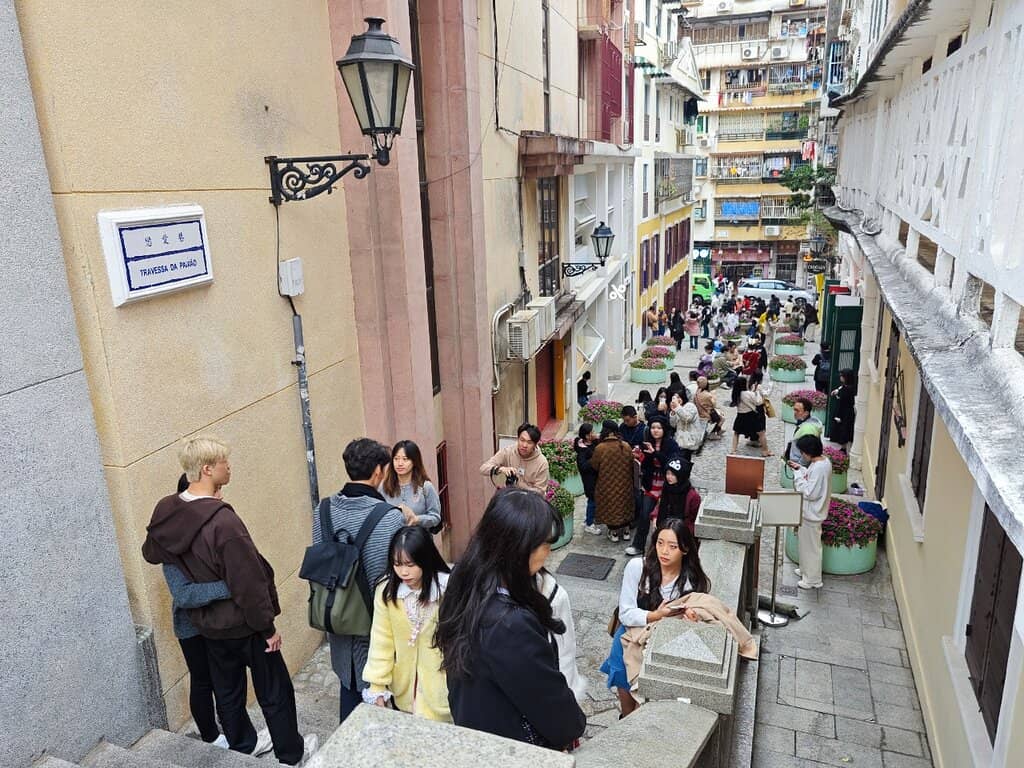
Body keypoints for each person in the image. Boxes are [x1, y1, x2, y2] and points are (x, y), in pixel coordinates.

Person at [142, 438, 314, 765]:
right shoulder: (223, 522)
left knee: (229, 693)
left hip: (208, 627)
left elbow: (151, 551)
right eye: (224, 462)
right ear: (207, 469)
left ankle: (243, 749)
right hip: (245, 624)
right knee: (275, 693)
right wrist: (267, 629)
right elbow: (247, 583)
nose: (229, 467)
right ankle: (291, 757)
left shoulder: (168, 510)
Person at [436, 489, 586, 749]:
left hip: (474, 730)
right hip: (511, 745)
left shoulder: (464, 579)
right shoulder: (510, 625)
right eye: (545, 543)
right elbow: (557, 713)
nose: (548, 552)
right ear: (519, 547)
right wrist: (574, 722)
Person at [317, 438, 406, 723]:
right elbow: (393, 578)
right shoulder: (390, 518)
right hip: (375, 624)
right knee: (379, 697)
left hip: (338, 616)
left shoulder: (323, 510)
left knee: (349, 690)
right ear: (379, 471)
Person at [157, 474, 248, 752]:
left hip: (219, 621)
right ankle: (210, 737)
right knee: (203, 679)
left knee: (228, 680)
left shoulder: (215, 526)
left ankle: (236, 735)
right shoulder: (170, 540)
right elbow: (184, 595)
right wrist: (228, 586)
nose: (217, 495)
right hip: (191, 626)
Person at [601, 518, 710, 716]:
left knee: (645, 701)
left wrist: (692, 620)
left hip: (660, 645)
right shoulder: (637, 568)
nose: (664, 551)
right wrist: (656, 615)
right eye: (660, 543)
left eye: (672, 546)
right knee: (626, 700)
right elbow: (626, 613)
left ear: (685, 549)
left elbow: (698, 612)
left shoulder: (689, 581)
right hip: (629, 638)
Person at [364, 526, 451, 721]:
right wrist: (377, 686)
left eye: (410, 565)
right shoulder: (387, 592)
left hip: (442, 689)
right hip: (404, 689)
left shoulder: (448, 589)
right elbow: (381, 640)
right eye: (397, 564)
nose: (403, 571)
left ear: (425, 559)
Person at [626, 416, 680, 557]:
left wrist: (655, 453)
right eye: (653, 428)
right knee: (645, 514)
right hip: (651, 484)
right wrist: (640, 457)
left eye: (659, 428)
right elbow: (645, 466)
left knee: (663, 518)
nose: (655, 430)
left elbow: (672, 463)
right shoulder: (645, 443)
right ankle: (638, 545)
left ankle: (659, 548)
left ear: (664, 429)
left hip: (666, 484)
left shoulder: (671, 444)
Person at [788, 435, 832, 590]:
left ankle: (813, 580)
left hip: (812, 513)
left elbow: (809, 492)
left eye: (802, 452)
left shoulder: (819, 467)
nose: (802, 455)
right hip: (811, 512)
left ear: (808, 452)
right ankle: (806, 570)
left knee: (811, 548)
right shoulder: (822, 462)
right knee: (805, 545)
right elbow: (813, 479)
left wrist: (798, 476)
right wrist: (801, 469)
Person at [590, 420, 637, 543]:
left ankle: (614, 533)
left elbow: (594, 465)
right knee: (625, 504)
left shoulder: (600, 448)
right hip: (625, 483)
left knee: (610, 506)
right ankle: (626, 532)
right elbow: (632, 463)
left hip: (606, 484)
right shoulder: (625, 446)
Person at [380, 440, 442, 532]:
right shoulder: (383, 487)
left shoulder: (425, 487)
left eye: (405, 459)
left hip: (419, 541)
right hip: (391, 542)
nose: (400, 463)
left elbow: (435, 517)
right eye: (396, 459)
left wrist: (417, 519)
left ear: (414, 461)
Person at [479, 423, 549, 494]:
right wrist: (500, 469)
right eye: (522, 440)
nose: (524, 445)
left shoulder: (542, 463)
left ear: (535, 444)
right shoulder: (508, 452)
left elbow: (540, 492)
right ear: (517, 439)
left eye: (529, 442)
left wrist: (519, 484)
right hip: (509, 497)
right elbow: (483, 469)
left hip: (529, 500)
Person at [657, 459, 701, 534]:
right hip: (664, 528)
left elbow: (694, 519)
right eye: (668, 473)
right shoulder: (666, 488)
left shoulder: (693, 496)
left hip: (683, 532)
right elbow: (660, 505)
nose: (669, 477)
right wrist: (655, 517)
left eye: (673, 474)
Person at [731, 376, 771, 457]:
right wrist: (756, 392)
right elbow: (758, 402)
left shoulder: (736, 394)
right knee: (761, 433)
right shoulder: (748, 393)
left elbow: (745, 398)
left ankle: (733, 450)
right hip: (751, 415)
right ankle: (765, 451)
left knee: (736, 433)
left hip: (740, 415)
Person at [575, 423, 601, 535]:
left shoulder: (594, 443)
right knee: (592, 501)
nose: (594, 433)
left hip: (595, 479)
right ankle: (589, 524)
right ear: (587, 436)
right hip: (589, 481)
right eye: (592, 432)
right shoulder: (582, 451)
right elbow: (583, 466)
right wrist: (594, 460)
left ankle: (588, 520)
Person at [786, 396, 824, 469]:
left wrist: (799, 467)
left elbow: (808, 452)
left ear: (806, 413)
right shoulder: (807, 423)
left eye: (797, 410)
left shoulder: (808, 430)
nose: (794, 413)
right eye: (794, 410)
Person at [830, 369, 857, 451]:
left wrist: (838, 416)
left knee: (844, 429)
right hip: (844, 411)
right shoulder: (846, 387)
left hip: (845, 412)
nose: (840, 377)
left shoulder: (848, 389)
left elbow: (843, 401)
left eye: (842, 376)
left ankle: (844, 447)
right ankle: (843, 447)